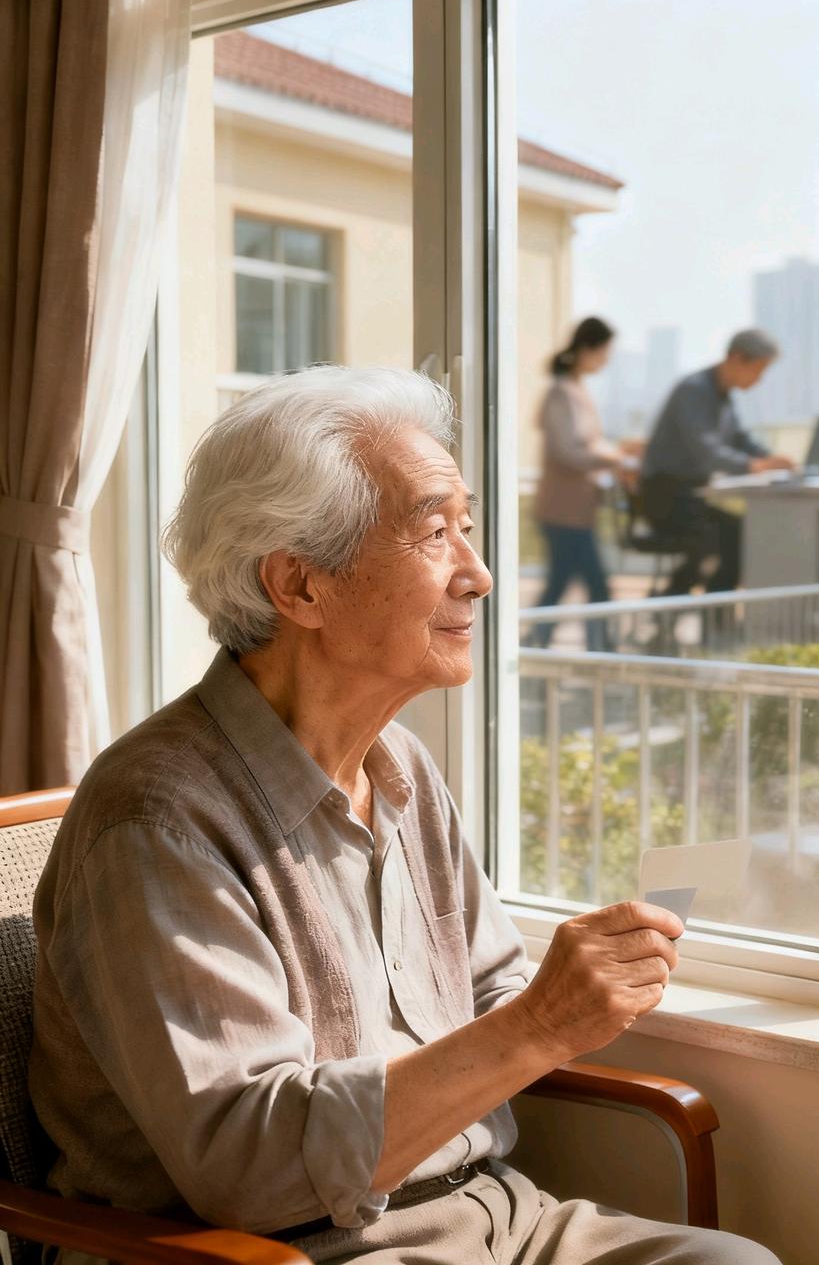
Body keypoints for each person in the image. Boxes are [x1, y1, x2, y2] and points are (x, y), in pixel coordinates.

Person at [31, 366, 780, 1265]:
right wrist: (538, 1024)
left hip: (495, 1219)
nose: (481, 574)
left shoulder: (400, 769)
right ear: (300, 587)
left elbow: (495, 988)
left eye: (467, 527)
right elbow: (250, 1174)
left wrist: (586, 986)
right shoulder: (157, 822)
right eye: (435, 532)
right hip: (289, 1249)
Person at [639, 329, 793, 596]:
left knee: (738, 533)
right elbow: (707, 451)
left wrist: (770, 460)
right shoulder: (694, 390)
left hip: (691, 496)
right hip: (665, 496)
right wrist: (754, 467)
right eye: (757, 370)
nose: (759, 379)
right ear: (736, 358)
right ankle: (678, 607)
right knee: (718, 540)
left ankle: (709, 614)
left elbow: (739, 439)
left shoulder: (723, 395)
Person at [532, 317, 626, 651]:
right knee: (595, 586)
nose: (606, 360)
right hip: (563, 511)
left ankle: (535, 644)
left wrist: (615, 455)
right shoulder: (562, 393)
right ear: (588, 348)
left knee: (560, 584)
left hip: (575, 510)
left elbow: (584, 445)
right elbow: (568, 451)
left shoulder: (575, 390)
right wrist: (613, 459)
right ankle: (600, 653)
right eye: (604, 352)